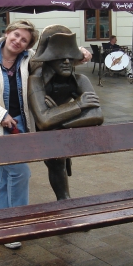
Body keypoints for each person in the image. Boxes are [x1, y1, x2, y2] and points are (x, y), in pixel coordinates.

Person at [0, 20, 91, 250]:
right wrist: (0, 115)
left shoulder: (27, 59)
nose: (18, 42)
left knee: (7, 176)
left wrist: (81, 53)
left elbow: (55, 55)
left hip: (20, 125)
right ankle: (16, 228)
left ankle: (0, 224)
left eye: (24, 40)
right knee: (20, 172)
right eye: (16, 36)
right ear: (8, 33)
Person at [28, 25, 103, 201]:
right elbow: (43, 122)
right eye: (60, 57)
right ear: (49, 59)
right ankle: (65, 201)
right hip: (34, 131)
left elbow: (97, 115)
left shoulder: (80, 80)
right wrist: (78, 105)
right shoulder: (36, 80)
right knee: (56, 163)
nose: (67, 62)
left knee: (57, 162)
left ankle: (65, 202)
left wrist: (58, 116)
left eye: (70, 56)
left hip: (56, 130)